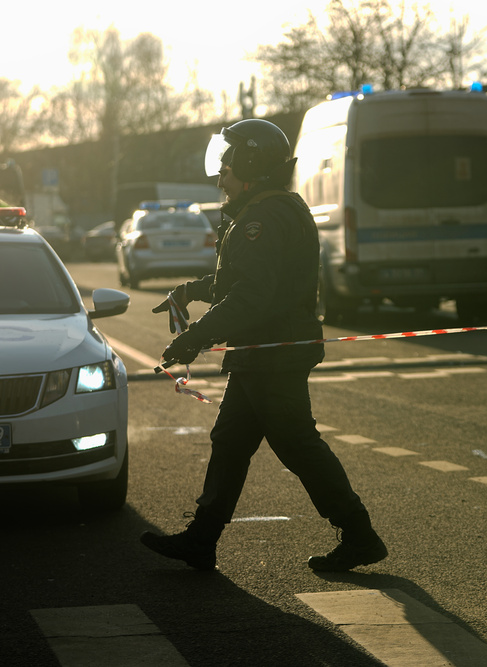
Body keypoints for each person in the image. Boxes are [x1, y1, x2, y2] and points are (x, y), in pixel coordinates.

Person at [140, 119, 387, 573]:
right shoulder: (271, 209)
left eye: (228, 163)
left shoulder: (260, 219)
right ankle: (201, 539)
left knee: (297, 446)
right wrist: (191, 290)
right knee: (231, 442)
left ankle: (359, 534)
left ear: (252, 164)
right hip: (263, 354)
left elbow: (252, 296)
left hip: (273, 354)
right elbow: (248, 282)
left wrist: (194, 338)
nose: (220, 174)